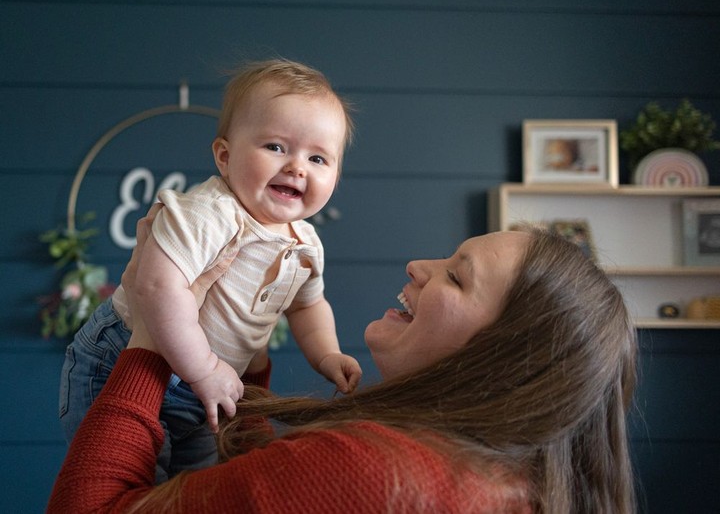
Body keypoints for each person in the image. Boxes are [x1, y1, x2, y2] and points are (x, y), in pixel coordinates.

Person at [49, 213, 638, 513]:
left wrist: (153, 335)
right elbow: (259, 495)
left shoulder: (381, 474)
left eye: (457, 276)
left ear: (502, 361)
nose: (418, 265)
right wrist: (246, 361)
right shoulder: (497, 482)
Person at [58, 59, 362, 481]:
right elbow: (157, 286)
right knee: (132, 482)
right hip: (128, 360)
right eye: (276, 147)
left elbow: (308, 306)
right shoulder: (211, 212)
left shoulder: (306, 243)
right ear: (225, 155)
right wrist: (202, 368)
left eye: (318, 158)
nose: (297, 167)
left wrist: (326, 353)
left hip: (209, 387)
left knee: (190, 489)